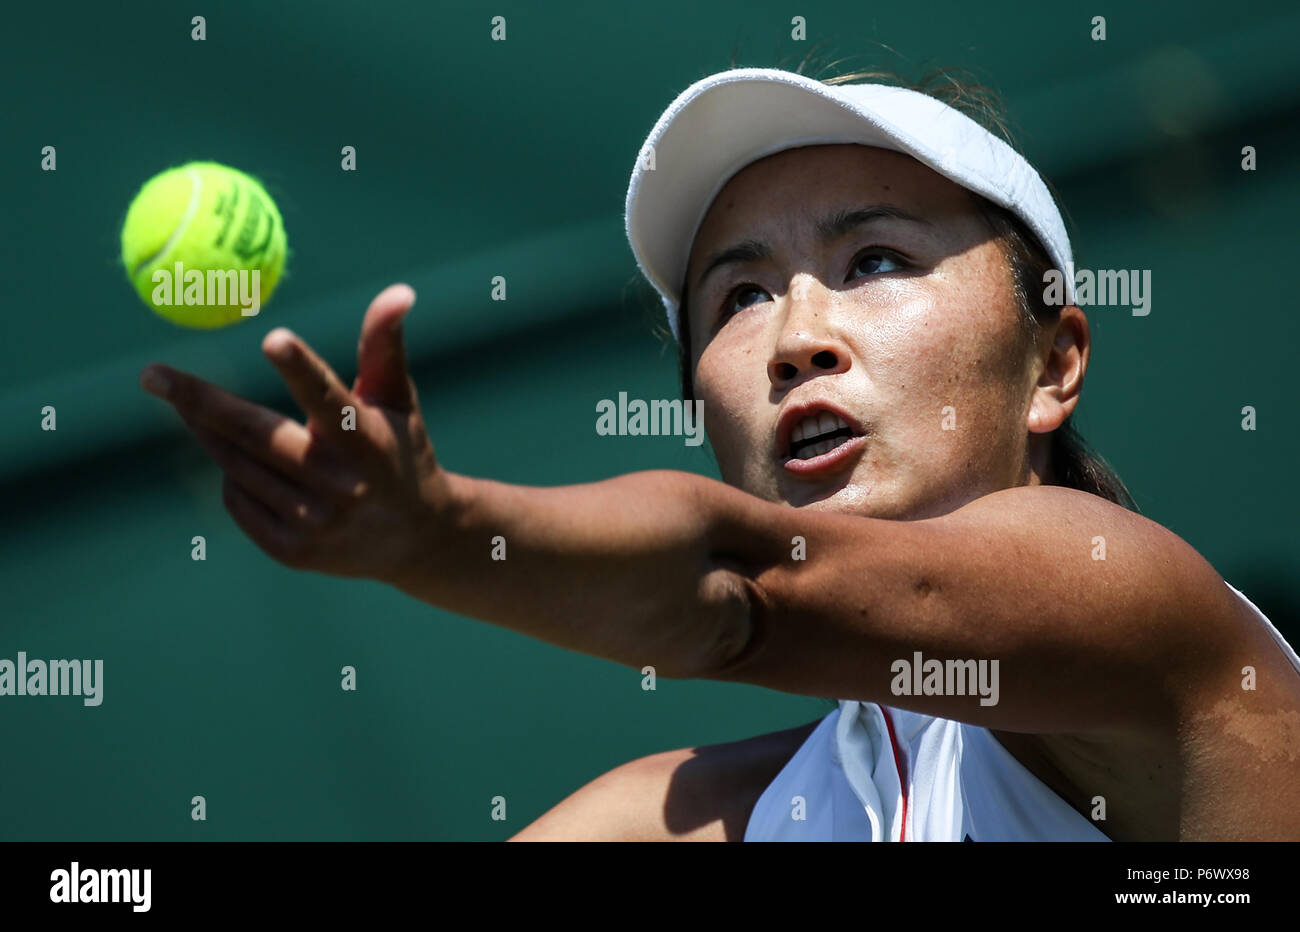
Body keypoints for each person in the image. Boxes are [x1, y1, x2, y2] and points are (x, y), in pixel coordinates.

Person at [139, 66, 1300, 842]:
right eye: (739, 294)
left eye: (877, 261)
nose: (798, 337)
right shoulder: (682, 815)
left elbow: (749, 583)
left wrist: (441, 533)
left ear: (1053, 364)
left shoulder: (1136, 607)